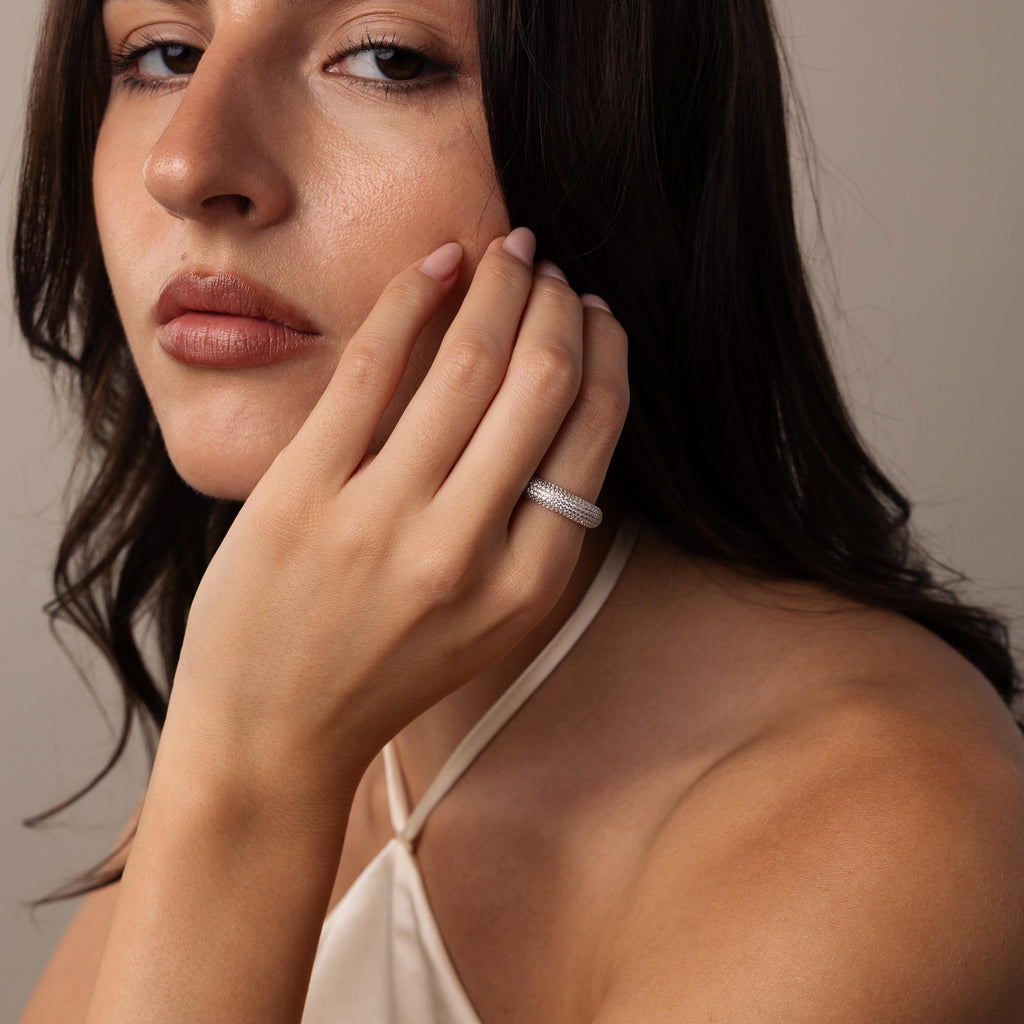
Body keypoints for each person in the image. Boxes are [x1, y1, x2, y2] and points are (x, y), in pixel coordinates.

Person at [14, 0, 1024, 1020]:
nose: (185, 166)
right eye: (165, 54)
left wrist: (245, 791)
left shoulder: (888, 822)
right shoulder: (301, 701)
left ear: (628, 139)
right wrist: (244, 766)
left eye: (386, 57)